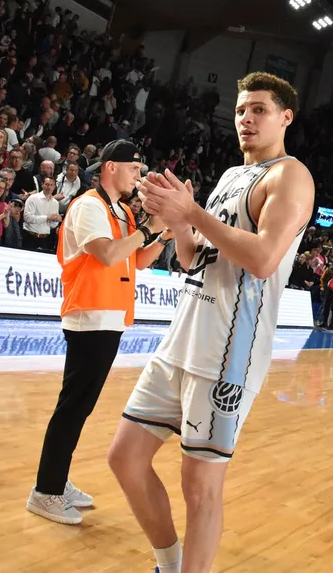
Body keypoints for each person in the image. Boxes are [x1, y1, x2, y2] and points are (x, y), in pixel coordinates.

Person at [108, 72, 314, 573]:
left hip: (228, 353)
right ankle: (169, 562)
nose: (247, 118)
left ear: (285, 117)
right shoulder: (229, 177)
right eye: (241, 110)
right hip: (181, 340)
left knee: (199, 486)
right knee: (124, 459)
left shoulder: (290, 176)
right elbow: (191, 259)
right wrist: (179, 223)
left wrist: (194, 213)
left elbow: (263, 259)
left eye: (259, 109)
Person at [27, 139, 172, 525]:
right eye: (134, 169)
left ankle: (56, 481)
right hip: (89, 315)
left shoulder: (121, 210)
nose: (138, 177)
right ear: (111, 167)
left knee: (80, 406)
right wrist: (147, 228)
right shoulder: (89, 205)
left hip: (109, 317)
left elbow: (137, 261)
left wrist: (162, 236)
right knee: (73, 406)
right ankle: (45, 490)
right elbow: (107, 254)